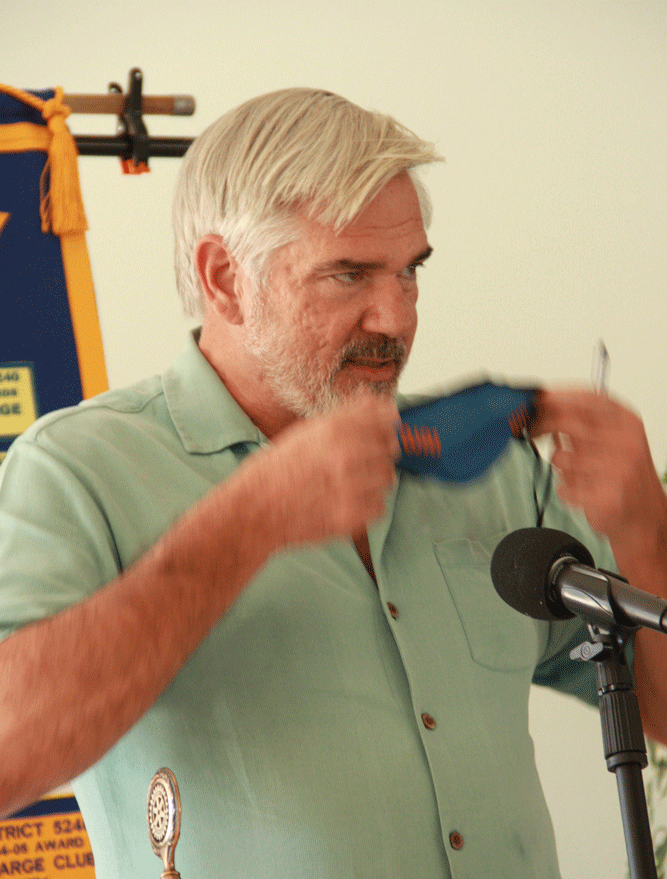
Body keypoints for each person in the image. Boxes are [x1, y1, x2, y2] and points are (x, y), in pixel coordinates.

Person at [0, 87, 665, 879]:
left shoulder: (490, 461)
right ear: (223, 277)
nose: (395, 318)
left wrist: (643, 527)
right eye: (348, 274)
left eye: (409, 272)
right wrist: (250, 522)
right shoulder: (77, 470)